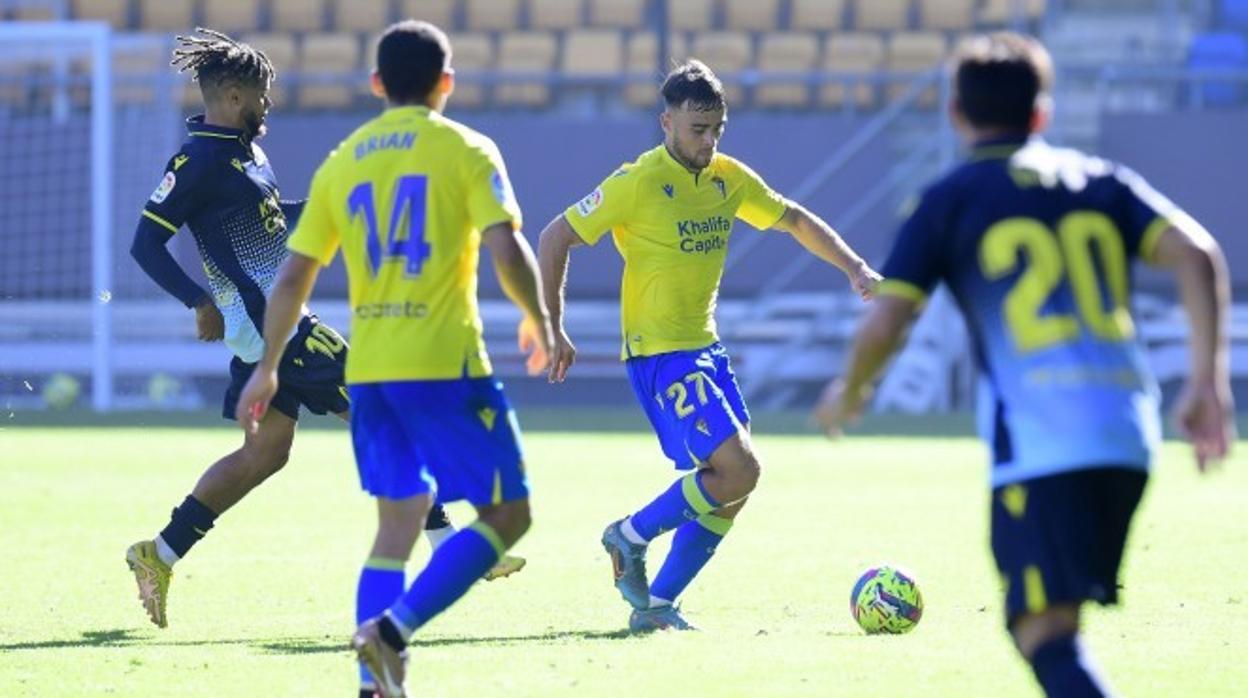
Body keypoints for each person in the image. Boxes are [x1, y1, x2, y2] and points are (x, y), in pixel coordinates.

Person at [816, 32, 1234, 698]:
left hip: (1045, 446)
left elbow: (888, 318)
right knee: (1050, 626)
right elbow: (1199, 255)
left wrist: (850, 391)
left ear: (955, 113)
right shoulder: (1101, 181)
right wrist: (1207, 382)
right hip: (1130, 434)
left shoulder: (950, 199)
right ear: (1042, 113)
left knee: (1043, 634)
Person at [124, 28, 521, 636]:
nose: (267, 105)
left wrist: (339, 202)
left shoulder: (247, 153)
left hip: (270, 332)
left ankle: (161, 551)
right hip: (271, 327)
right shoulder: (197, 159)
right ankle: (447, 546)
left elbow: (270, 221)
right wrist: (196, 300)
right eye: (260, 94)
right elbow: (145, 242)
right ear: (230, 95)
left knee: (266, 453)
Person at [233, 20, 552, 698]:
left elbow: (292, 278)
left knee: (396, 526)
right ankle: (393, 632)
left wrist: (266, 366)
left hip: (370, 373)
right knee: (508, 514)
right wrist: (540, 317)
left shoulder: (344, 160)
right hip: (444, 366)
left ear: (377, 84)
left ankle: (371, 685)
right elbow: (506, 246)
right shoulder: (466, 148)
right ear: (447, 83)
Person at [537, 60, 880, 633]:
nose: (709, 140)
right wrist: (554, 324)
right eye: (699, 129)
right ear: (666, 122)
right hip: (658, 353)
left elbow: (791, 218)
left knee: (732, 488)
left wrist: (856, 268)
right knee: (737, 468)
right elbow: (555, 237)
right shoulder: (637, 182)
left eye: (718, 128)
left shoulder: (727, 177)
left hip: (703, 348)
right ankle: (628, 536)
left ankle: (656, 605)